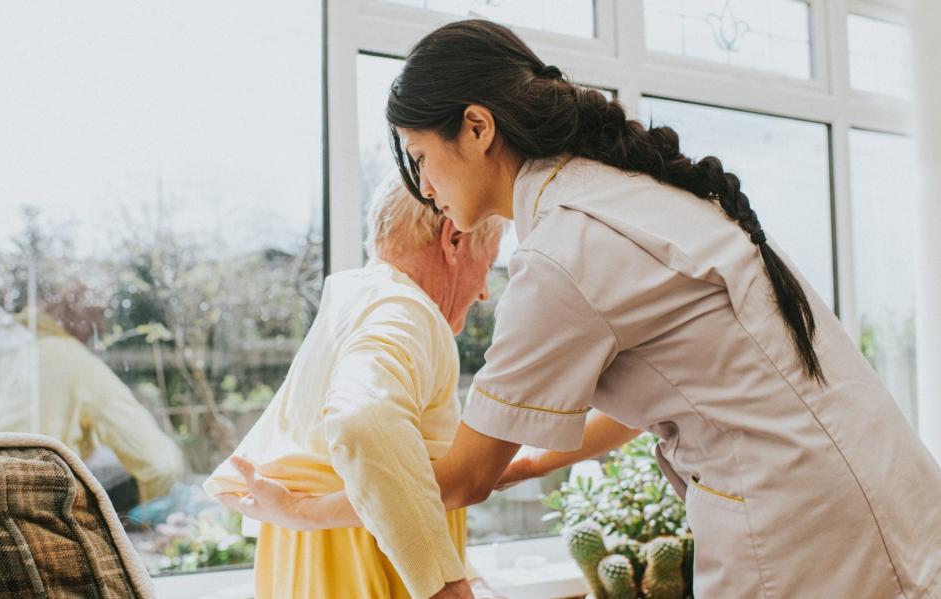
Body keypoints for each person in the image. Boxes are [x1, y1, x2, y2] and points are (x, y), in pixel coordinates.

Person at [223, 19, 941, 599]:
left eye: (419, 155)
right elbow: (681, 383)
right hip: (879, 486)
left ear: (476, 128)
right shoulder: (614, 194)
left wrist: (306, 511)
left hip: (807, 529)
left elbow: (462, 474)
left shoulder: (561, 250)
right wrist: (531, 462)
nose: (422, 183)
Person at [205, 173, 504, 599]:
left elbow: (404, 474)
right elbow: (364, 420)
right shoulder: (404, 310)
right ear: (453, 240)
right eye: (488, 264)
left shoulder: (354, 303)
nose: (484, 294)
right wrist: (445, 585)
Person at [0, 306, 184, 506]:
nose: (102, 327)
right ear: (70, 309)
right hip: (27, 515)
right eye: (98, 312)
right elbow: (162, 466)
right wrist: (150, 520)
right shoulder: (74, 360)